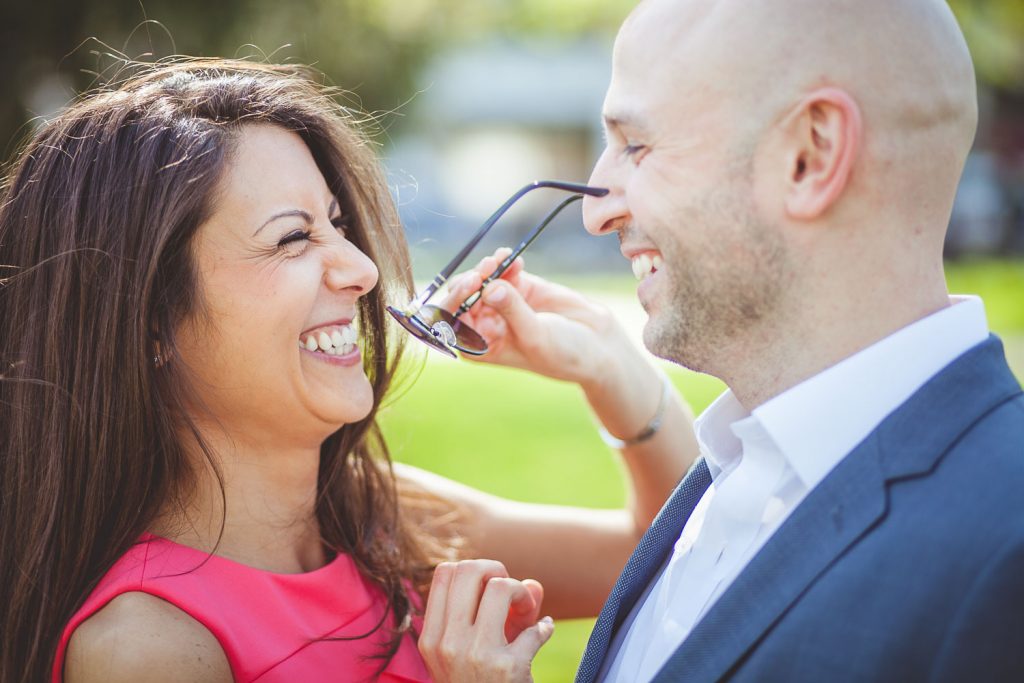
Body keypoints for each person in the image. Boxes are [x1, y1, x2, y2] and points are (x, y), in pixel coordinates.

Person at [0, 60, 700, 683]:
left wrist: (608, 365)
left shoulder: (380, 517)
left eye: (336, 223)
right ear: (151, 320)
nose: (363, 270)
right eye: (293, 237)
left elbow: (674, 556)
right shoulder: (149, 647)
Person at [417, 0, 1024, 680]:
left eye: (636, 146)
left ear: (810, 155)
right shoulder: (733, 465)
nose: (596, 209)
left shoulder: (1006, 554)